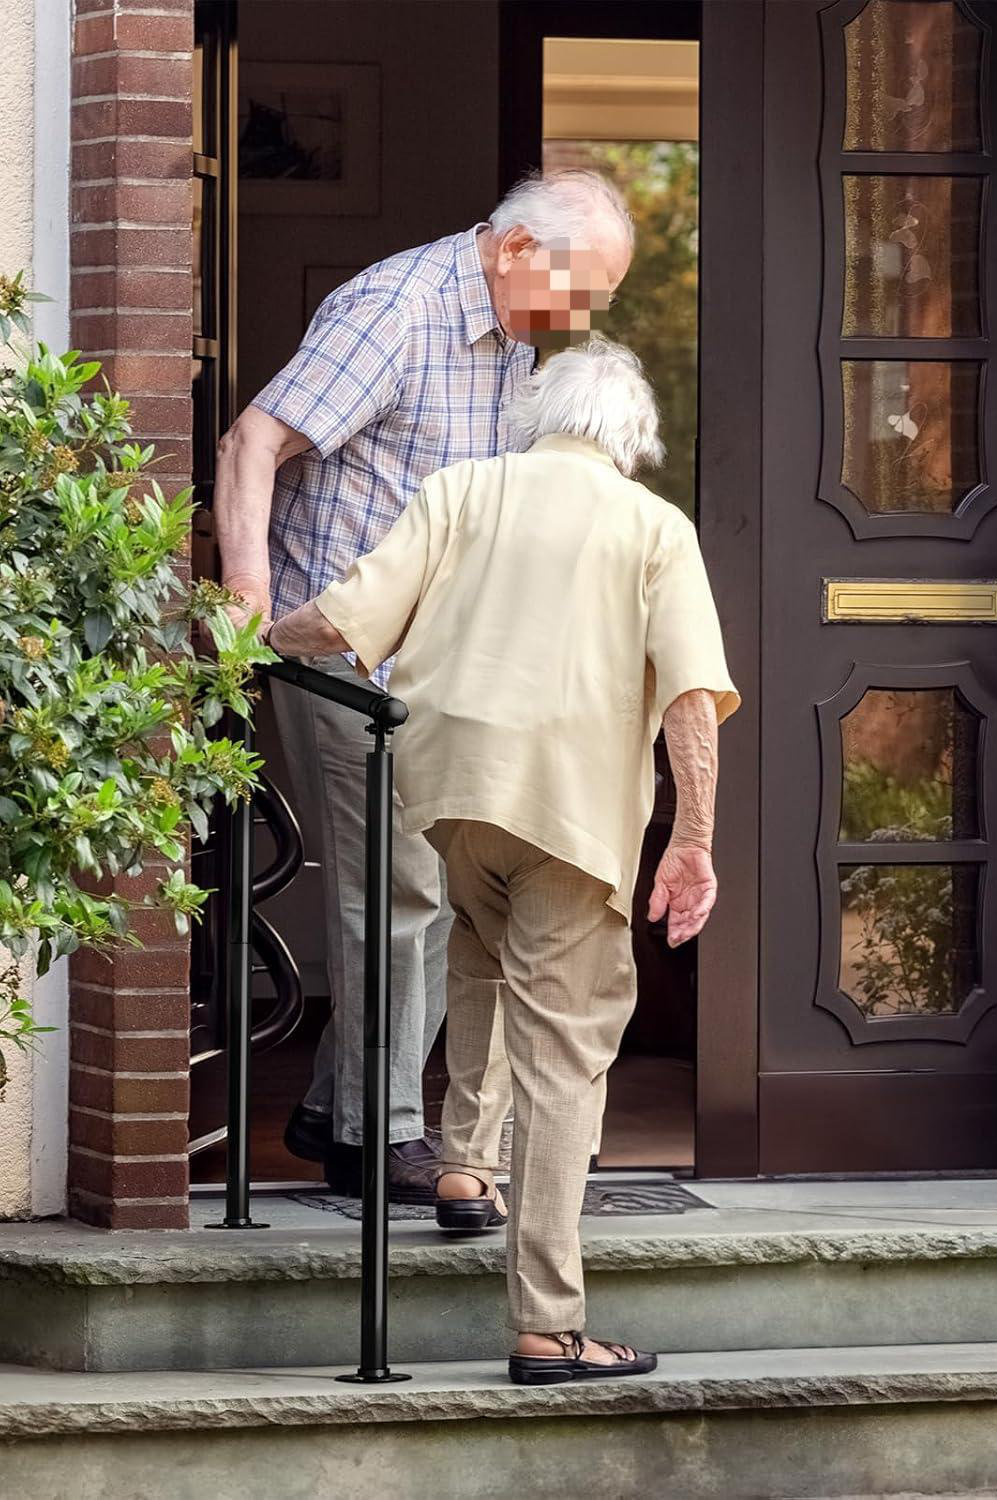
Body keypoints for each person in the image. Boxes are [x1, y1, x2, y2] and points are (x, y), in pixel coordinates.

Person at [265, 337, 738, 1383]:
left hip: (452, 798)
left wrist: (242, 632)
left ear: (538, 419)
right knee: (567, 1061)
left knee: (481, 961)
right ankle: (549, 1323)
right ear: (632, 443)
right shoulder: (655, 527)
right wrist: (694, 840)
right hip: (569, 815)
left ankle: (468, 1168)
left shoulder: (459, 490)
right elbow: (691, 698)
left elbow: (341, 623)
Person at [214, 170, 634, 1203]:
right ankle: (380, 1132)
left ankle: (329, 1107)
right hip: (345, 656)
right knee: (402, 895)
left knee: (433, 893)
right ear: (517, 251)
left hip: (436, 667)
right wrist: (247, 594)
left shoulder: (512, 337)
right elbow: (253, 439)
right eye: (581, 292)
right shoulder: (397, 313)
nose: (581, 318)